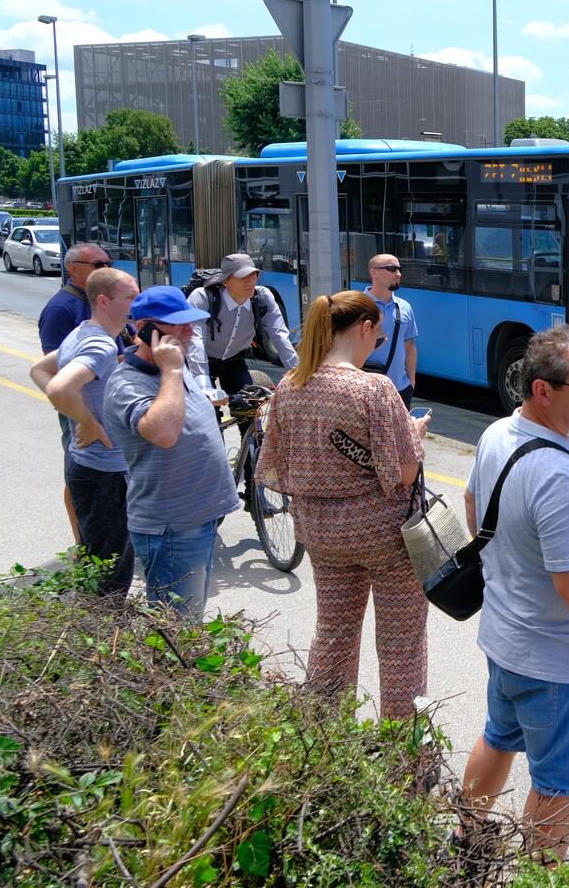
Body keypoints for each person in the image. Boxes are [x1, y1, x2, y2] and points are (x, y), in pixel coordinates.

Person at [460, 325, 569, 860]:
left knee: (498, 738)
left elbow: (474, 508)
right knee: (559, 784)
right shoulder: (557, 474)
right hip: (556, 659)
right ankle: (543, 873)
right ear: (543, 390)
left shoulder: (498, 434)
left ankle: (465, 839)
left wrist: (514, 569)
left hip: (506, 637)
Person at [256, 290, 432, 719]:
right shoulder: (375, 388)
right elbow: (405, 473)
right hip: (386, 538)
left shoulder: (290, 386)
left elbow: (275, 466)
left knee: (333, 635)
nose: (378, 343)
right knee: (401, 648)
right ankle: (403, 757)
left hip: (321, 534)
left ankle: (324, 742)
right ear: (365, 328)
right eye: (378, 335)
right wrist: (415, 435)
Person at [101, 286, 242, 620]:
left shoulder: (175, 368)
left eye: (190, 324)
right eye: (178, 326)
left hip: (200, 520)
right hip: (172, 529)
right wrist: (173, 370)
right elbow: (163, 433)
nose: (189, 332)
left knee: (187, 623)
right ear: (146, 328)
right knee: (177, 634)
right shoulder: (130, 382)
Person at [28, 267, 139, 596]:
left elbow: (38, 370)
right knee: (112, 577)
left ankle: (91, 633)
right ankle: (102, 639)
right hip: (105, 473)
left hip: (89, 467)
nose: (137, 301)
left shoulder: (81, 333)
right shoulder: (102, 346)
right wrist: (88, 422)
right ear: (104, 300)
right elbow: (59, 388)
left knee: (96, 564)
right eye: (130, 296)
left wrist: (79, 416)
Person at [39, 241, 111, 540]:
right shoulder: (60, 309)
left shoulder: (101, 302)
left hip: (109, 408)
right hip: (81, 411)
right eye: (98, 265)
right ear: (72, 269)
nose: (105, 269)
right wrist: (83, 418)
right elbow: (53, 369)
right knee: (80, 476)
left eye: (108, 263)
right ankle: (83, 545)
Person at [185, 253, 299, 397]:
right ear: (225, 281)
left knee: (250, 406)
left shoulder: (262, 297)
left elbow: (279, 335)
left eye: (254, 275)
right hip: (203, 360)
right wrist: (204, 386)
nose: (250, 281)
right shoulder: (202, 297)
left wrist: (297, 372)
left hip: (234, 361)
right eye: (243, 277)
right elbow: (195, 341)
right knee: (206, 409)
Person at [362, 253, 418, 408]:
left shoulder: (404, 307)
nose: (398, 274)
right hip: (366, 391)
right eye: (391, 269)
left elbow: (409, 346)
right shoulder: (358, 306)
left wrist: (411, 382)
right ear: (374, 273)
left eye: (399, 269)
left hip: (399, 390)